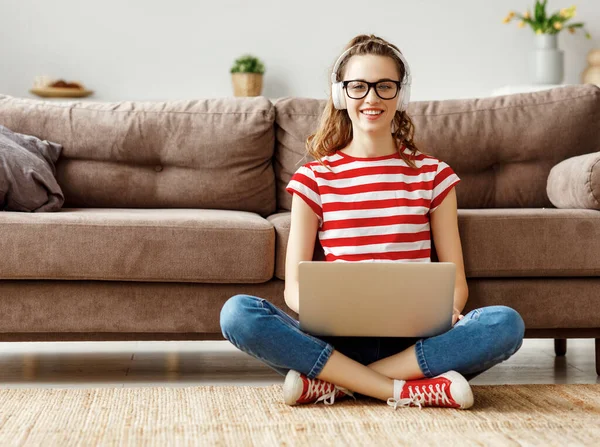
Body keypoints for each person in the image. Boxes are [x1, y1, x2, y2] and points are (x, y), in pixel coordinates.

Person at [220, 34, 525, 410]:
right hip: (336, 338)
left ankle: (338, 381)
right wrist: (319, 311)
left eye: (385, 86)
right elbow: (293, 287)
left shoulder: (434, 175)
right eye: (358, 86)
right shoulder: (314, 178)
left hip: (415, 341)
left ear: (401, 94)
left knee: (505, 324)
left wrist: (449, 308)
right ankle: (401, 389)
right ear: (340, 94)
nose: (372, 98)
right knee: (238, 314)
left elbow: (455, 280)